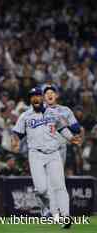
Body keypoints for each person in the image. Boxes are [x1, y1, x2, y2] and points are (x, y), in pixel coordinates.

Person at [11, 87, 82, 229]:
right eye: (32, 96)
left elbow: (62, 128)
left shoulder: (54, 113)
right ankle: (52, 211)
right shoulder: (25, 116)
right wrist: (15, 142)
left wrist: (71, 138)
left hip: (53, 153)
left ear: (42, 98)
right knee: (42, 189)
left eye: (37, 95)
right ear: (30, 99)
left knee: (59, 186)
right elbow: (17, 134)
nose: (35, 98)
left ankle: (65, 217)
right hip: (35, 154)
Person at [43, 84, 84, 219]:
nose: (49, 94)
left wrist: (67, 123)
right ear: (44, 96)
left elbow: (77, 128)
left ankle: (54, 212)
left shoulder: (65, 110)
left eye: (52, 92)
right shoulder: (40, 111)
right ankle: (51, 211)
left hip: (60, 148)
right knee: (46, 181)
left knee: (57, 180)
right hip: (44, 149)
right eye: (47, 93)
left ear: (56, 95)